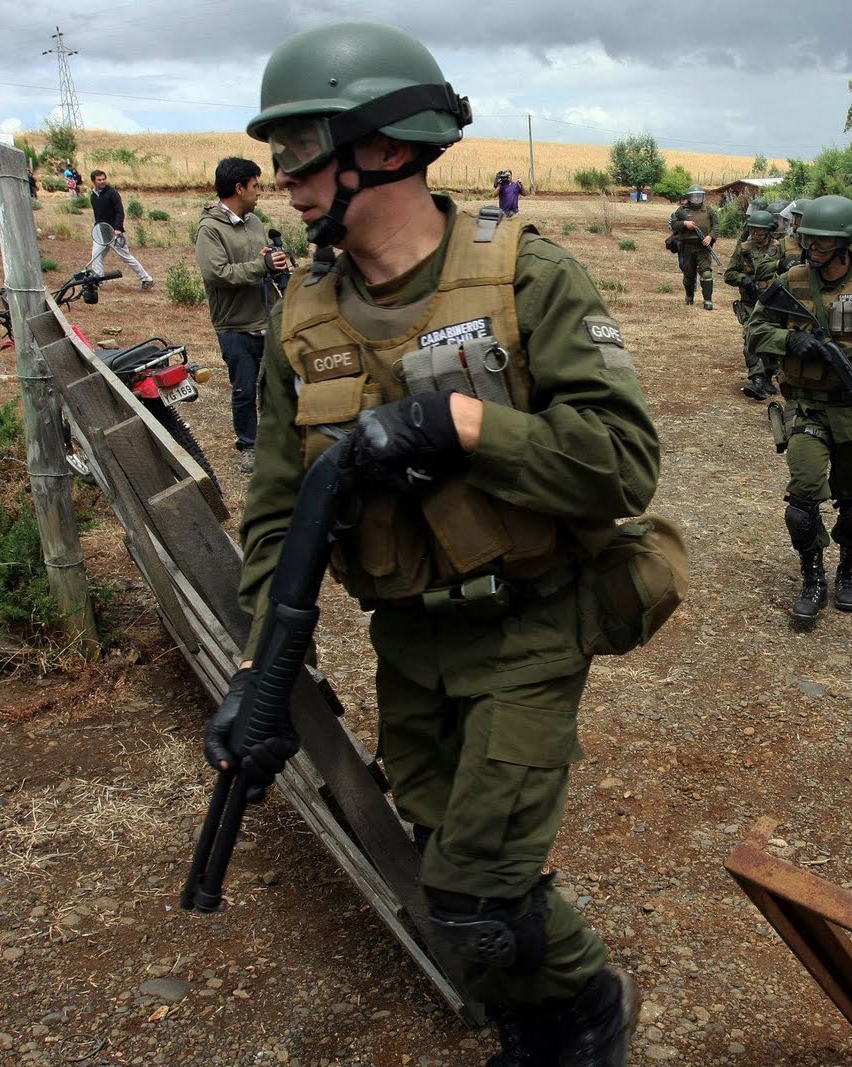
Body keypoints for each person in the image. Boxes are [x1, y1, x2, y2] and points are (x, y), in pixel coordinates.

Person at [213, 21, 660, 1066]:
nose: (285, 183)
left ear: (386, 144)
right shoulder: (303, 319)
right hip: (409, 641)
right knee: (451, 857)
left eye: (302, 151)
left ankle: (589, 1008)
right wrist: (255, 667)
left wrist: (460, 425)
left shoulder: (527, 278)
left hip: (532, 621)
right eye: (278, 159)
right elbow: (280, 507)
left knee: (472, 888)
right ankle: (530, 1022)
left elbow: (620, 462)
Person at [746, 194, 852, 624]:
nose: (812, 252)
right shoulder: (792, 281)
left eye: (822, 246)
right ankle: (812, 577)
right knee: (801, 501)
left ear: (846, 245)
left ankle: (848, 569)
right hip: (807, 409)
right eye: (808, 243)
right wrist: (790, 341)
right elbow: (755, 329)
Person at [195, 156, 291, 475]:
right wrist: (260, 266)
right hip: (234, 325)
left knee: (277, 385)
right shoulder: (210, 229)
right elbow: (217, 273)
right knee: (244, 390)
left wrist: (271, 261)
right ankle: (248, 446)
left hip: (265, 319)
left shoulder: (254, 222)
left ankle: (279, 440)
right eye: (255, 185)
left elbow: (256, 262)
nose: (259, 191)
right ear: (239, 188)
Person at [723, 209, 785, 400]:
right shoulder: (744, 248)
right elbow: (729, 275)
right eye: (754, 231)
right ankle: (757, 378)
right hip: (750, 303)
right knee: (751, 338)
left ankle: (767, 376)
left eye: (761, 231)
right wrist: (744, 279)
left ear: (769, 231)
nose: (757, 235)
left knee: (773, 339)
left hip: (774, 303)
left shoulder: (779, 247)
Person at [87, 170, 154, 289]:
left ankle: (146, 279)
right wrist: (97, 228)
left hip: (114, 232)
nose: (102, 181)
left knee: (126, 257)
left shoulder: (112, 193)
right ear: (93, 181)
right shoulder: (93, 195)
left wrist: (117, 228)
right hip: (101, 232)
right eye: (99, 180)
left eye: (103, 179)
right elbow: (98, 215)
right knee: (96, 257)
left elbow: (120, 211)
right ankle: (98, 281)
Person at [667, 184, 717, 309]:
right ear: (689, 197)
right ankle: (689, 296)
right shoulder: (681, 210)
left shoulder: (709, 210)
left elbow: (716, 226)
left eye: (699, 196)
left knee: (706, 273)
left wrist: (710, 236)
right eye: (694, 196)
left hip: (703, 247)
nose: (696, 199)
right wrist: (684, 223)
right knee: (689, 274)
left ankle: (708, 301)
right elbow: (673, 224)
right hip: (687, 247)